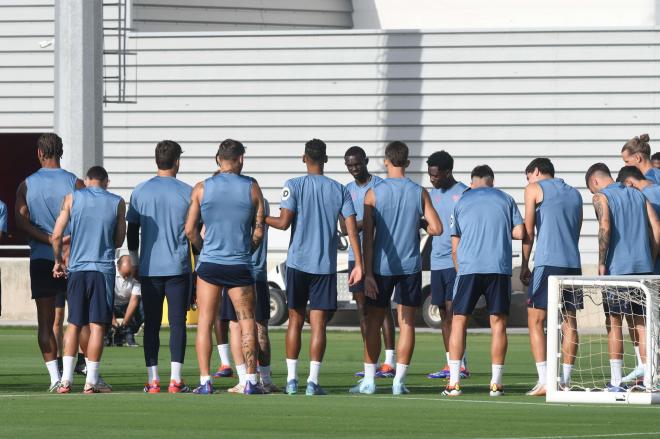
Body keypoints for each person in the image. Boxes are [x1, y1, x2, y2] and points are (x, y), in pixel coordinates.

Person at [266, 138, 363, 396]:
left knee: (295, 321)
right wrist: (360, 263)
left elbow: (284, 222)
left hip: (298, 263)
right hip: (324, 265)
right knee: (319, 325)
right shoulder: (339, 189)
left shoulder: (293, 185)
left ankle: (291, 381)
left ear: (303, 158)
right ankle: (312, 381)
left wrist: (260, 217)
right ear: (326, 160)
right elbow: (350, 229)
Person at [353, 141, 442, 395]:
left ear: (385, 161)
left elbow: (367, 238)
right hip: (409, 266)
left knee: (373, 322)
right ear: (408, 162)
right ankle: (398, 381)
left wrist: (367, 272)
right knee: (408, 323)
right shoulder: (418, 191)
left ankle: (369, 381)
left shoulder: (374, 193)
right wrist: (420, 223)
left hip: (381, 267)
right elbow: (437, 228)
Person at [185, 139, 265, 395]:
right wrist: (246, 250)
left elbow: (189, 230)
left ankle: (205, 381)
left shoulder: (201, 188)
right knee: (247, 321)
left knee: (205, 323)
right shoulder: (252, 187)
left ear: (218, 159)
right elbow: (259, 231)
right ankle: (251, 380)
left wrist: (204, 249)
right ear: (240, 159)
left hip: (210, 264)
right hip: (240, 264)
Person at [443, 165, 525, 397]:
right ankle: (496, 384)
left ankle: (454, 383)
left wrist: (460, 269)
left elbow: (454, 245)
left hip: (469, 269)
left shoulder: (461, 201)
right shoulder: (505, 199)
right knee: (498, 323)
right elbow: (520, 232)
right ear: (492, 180)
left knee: (458, 321)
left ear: (472, 182)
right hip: (498, 268)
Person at [14, 133, 84, 392]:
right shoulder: (75, 182)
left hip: (42, 257)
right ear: (60, 152)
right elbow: (87, 216)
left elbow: (21, 221)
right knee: (79, 319)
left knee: (45, 320)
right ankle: (78, 375)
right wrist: (65, 240)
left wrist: (47, 238)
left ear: (40, 154)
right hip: (73, 257)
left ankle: (55, 378)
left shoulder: (27, 184)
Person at [585, 163, 660, 392]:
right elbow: (656, 228)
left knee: (614, 322)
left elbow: (605, 226)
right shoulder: (639, 195)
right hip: (644, 268)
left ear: (595, 182)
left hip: (618, 269)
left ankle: (616, 382)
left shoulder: (601, 197)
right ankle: (650, 380)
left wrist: (600, 262)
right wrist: (650, 257)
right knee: (642, 324)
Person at [127, 140, 193, 394]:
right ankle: (175, 379)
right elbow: (194, 231)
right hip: (178, 267)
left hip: (149, 268)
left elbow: (132, 231)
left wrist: (133, 260)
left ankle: (153, 380)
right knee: (178, 323)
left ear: (157, 160)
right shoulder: (188, 191)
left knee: (152, 323)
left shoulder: (140, 191)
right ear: (177, 161)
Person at [52, 166, 125, 394]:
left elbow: (56, 235)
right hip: (102, 269)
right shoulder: (117, 202)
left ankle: (65, 381)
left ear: (86, 180)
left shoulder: (72, 198)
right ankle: (91, 381)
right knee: (97, 327)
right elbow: (118, 239)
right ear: (106, 182)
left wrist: (58, 261)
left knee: (73, 324)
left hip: (77, 269)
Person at [519, 158, 582, 396]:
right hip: (572, 263)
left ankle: (546, 379)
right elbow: (575, 229)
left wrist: (525, 264)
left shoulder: (533, 189)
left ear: (535, 171)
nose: (528, 181)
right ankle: (564, 381)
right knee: (569, 320)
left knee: (536, 319)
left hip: (547, 263)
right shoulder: (575, 194)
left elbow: (528, 232)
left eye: (528, 176)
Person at [341, 146, 395, 379]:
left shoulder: (381, 186)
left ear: (365, 161)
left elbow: (387, 218)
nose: (354, 169)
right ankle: (370, 361)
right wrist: (367, 219)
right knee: (362, 310)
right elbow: (344, 227)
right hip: (357, 257)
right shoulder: (346, 191)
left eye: (357, 164)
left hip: (380, 255)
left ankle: (389, 361)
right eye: (349, 165)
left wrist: (361, 221)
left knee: (382, 310)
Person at [221, 199, 279, 394]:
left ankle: (243, 379)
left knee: (236, 326)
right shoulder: (260, 200)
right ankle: (266, 379)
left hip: (235, 270)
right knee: (260, 326)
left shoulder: (232, 202)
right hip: (258, 272)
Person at [424, 150, 470, 380]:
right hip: (436, 261)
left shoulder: (463, 193)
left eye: (435, 175)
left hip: (456, 262)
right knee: (443, 312)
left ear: (448, 172)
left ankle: (460, 363)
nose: (432, 179)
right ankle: (449, 361)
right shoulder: (431, 194)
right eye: (430, 175)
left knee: (454, 312)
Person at [616, 165, 660, 383]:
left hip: (648, 267)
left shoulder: (641, 196)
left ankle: (648, 370)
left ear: (629, 183)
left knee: (642, 321)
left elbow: (656, 230)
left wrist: (650, 259)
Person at [111, 255, 143, 347]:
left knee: (144, 307)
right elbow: (105, 298)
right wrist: (113, 321)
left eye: (128, 275)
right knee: (99, 305)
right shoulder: (109, 269)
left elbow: (134, 300)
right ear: (117, 267)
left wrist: (125, 322)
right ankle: (107, 334)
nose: (126, 278)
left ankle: (128, 332)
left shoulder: (136, 272)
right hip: (111, 304)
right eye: (124, 275)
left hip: (127, 304)